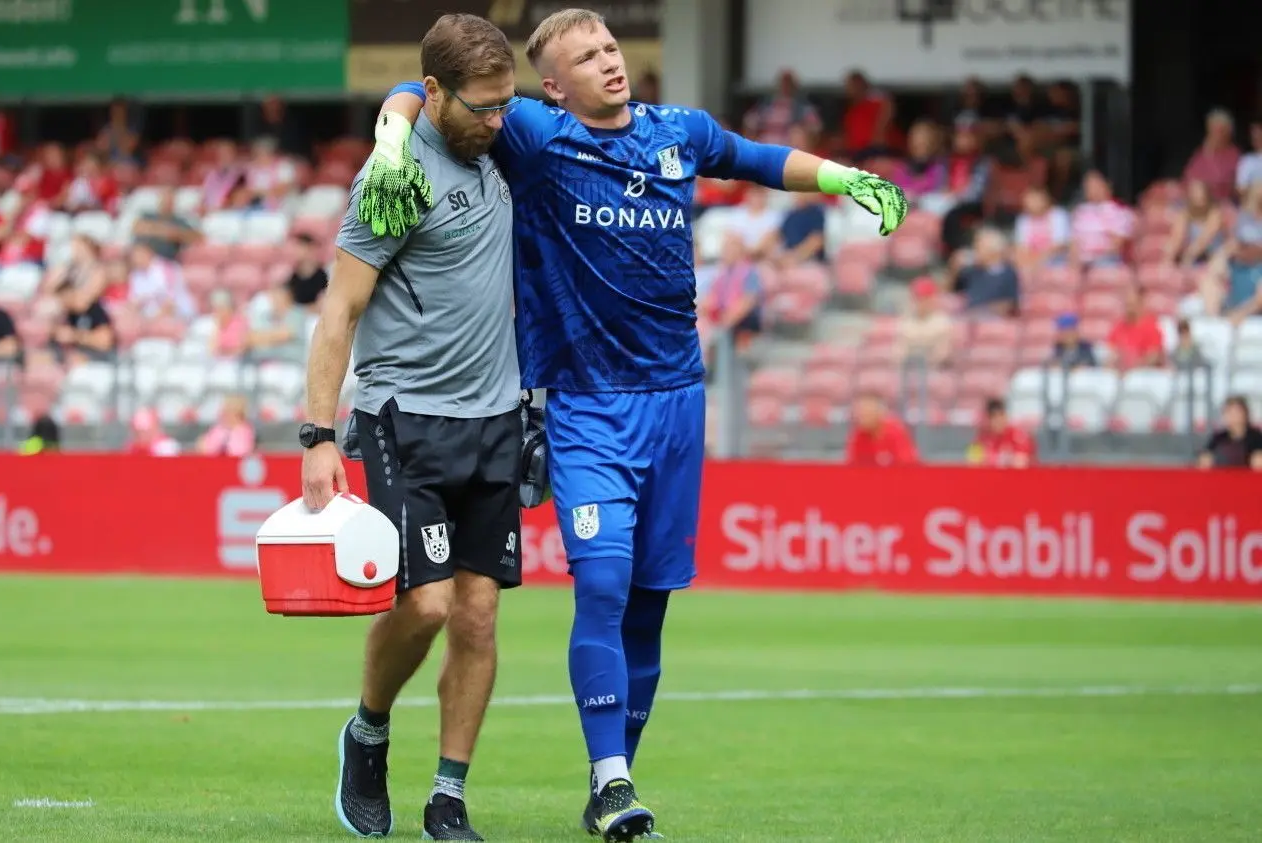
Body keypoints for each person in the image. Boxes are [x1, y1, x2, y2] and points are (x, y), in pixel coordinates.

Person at [357, 8, 907, 840]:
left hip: (679, 402)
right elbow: (421, 88)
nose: (609, 63)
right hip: (587, 406)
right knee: (604, 582)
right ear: (553, 86)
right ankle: (614, 784)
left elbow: (758, 160)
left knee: (648, 605)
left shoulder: (677, 131)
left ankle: (610, 778)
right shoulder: (536, 137)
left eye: (611, 47)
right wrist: (393, 135)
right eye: (586, 57)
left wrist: (843, 178)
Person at [298, 14, 523, 841]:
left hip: (496, 419)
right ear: (434, 94)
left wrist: (415, 109)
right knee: (424, 605)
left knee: (478, 616)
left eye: (507, 105)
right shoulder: (390, 178)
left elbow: (412, 97)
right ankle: (367, 730)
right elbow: (341, 308)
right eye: (482, 107)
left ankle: (449, 794)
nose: (499, 121)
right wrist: (318, 436)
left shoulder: (493, 139)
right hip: (406, 418)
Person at [1197, 396, 1262, 470]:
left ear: (1245, 413)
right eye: (1229, 412)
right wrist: (1205, 459)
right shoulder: (1219, 437)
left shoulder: (1257, 437)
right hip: (1223, 478)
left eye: (1237, 412)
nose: (1233, 416)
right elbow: (1206, 455)